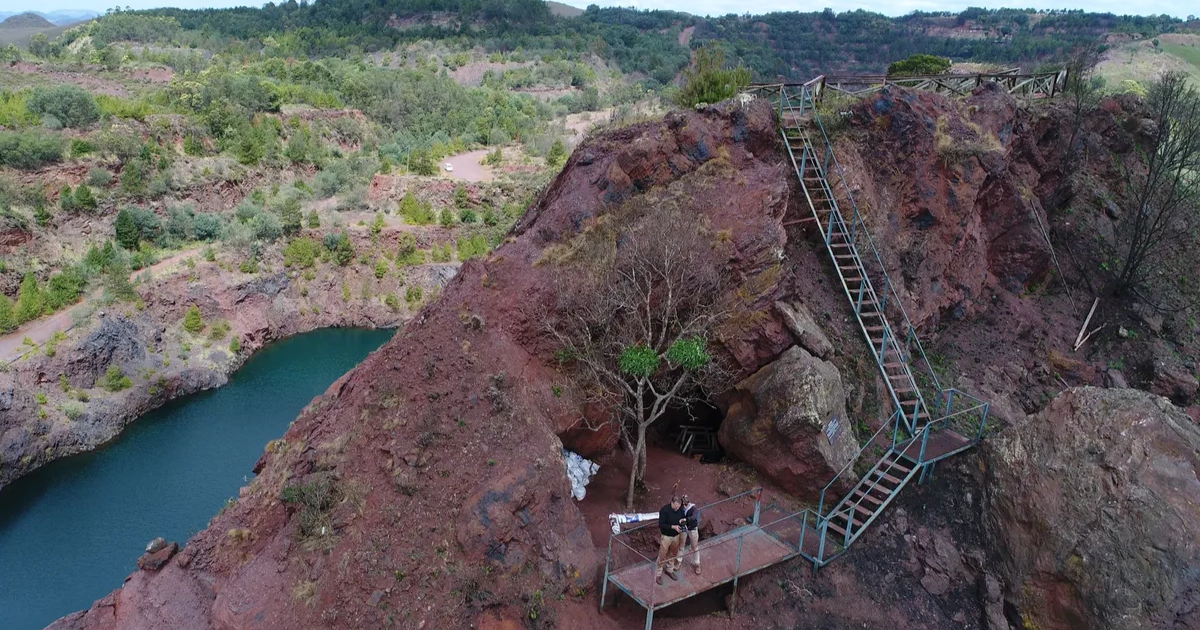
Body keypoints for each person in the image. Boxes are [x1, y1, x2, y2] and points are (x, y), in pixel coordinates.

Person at [655, 496, 686, 584]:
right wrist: (673, 527)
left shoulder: (680, 510)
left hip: (676, 536)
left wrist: (683, 524)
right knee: (662, 554)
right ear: (672, 503)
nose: (676, 508)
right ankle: (658, 574)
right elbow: (661, 524)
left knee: (673, 554)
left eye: (678, 506)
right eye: (675, 506)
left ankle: (669, 569)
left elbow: (682, 519)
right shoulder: (664, 510)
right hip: (666, 536)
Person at [677, 495, 702, 576]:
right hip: (684, 528)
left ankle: (697, 564)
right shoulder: (681, 508)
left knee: (695, 547)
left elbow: (694, 517)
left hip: (692, 529)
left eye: (684, 504)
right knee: (681, 545)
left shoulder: (693, 508)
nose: (683, 506)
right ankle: (678, 561)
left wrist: (686, 519)